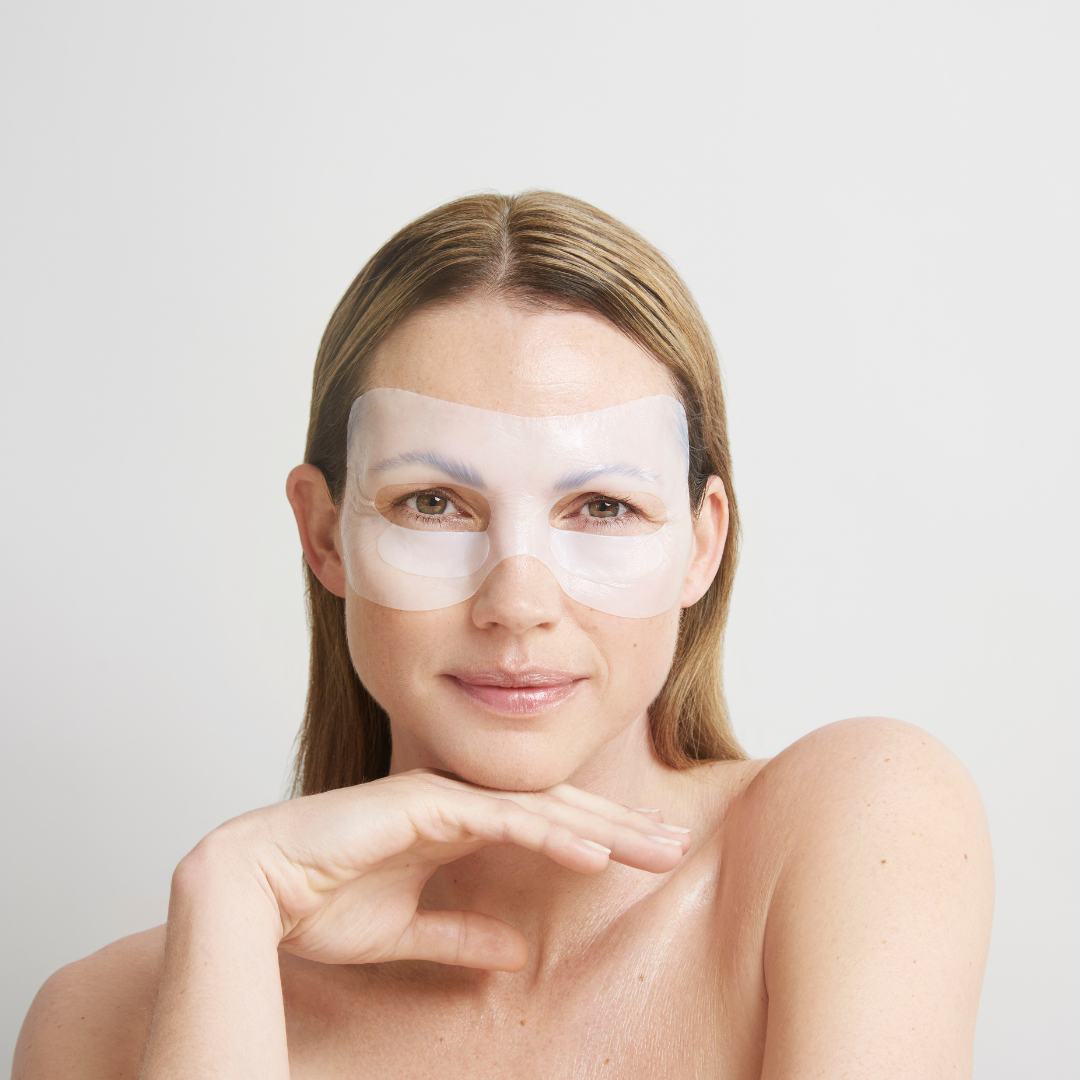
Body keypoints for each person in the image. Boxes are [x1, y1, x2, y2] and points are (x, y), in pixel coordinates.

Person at [14, 190, 994, 1078]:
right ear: (324, 534)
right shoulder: (112, 1021)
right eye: (434, 503)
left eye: (602, 507)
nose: (517, 602)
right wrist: (231, 898)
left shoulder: (853, 825)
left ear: (701, 545)